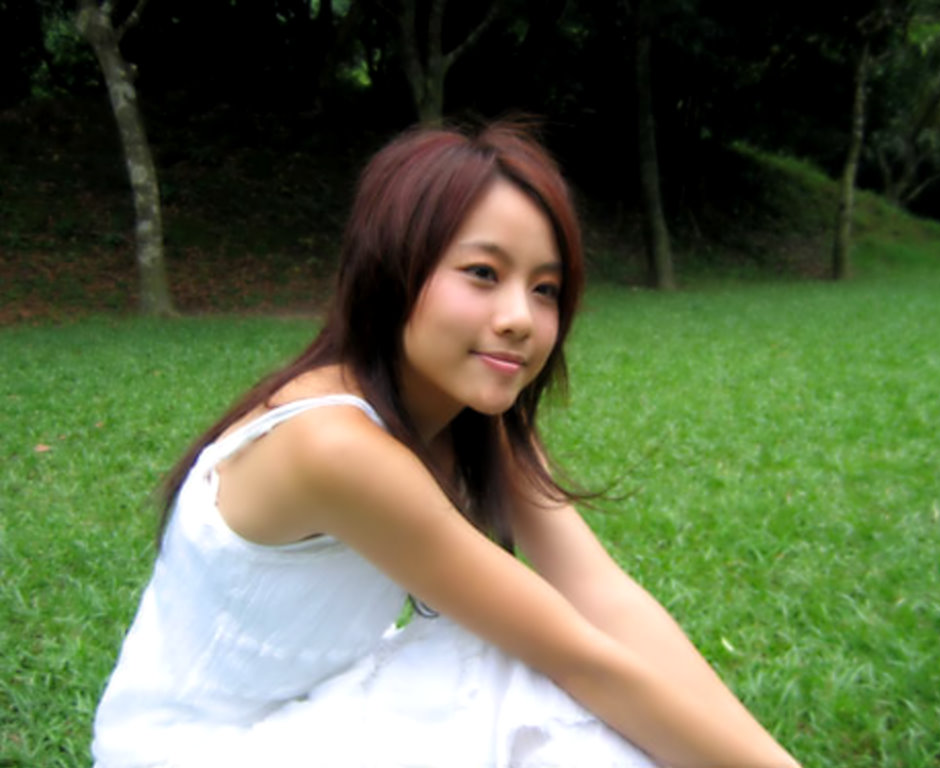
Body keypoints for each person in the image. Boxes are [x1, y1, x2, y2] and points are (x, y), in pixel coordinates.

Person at [92, 121, 800, 768]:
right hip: (191, 753)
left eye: (546, 289)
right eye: (483, 274)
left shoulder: (475, 424)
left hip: (308, 716)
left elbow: (604, 597)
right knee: (514, 671)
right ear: (393, 269)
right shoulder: (332, 446)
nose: (520, 318)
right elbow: (579, 657)